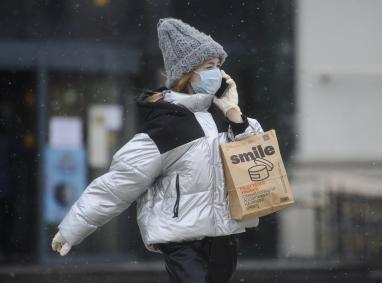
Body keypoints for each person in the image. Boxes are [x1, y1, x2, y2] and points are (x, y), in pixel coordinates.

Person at [51, 18, 263, 283]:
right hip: (183, 243)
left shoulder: (224, 116)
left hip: (224, 239)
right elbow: (118, 184)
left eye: (219, 66)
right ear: (187, 74)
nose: (217, 74)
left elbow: (257, 157)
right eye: (209, 66)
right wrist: (71, 230)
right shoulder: (167, 123)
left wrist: (233, 111)